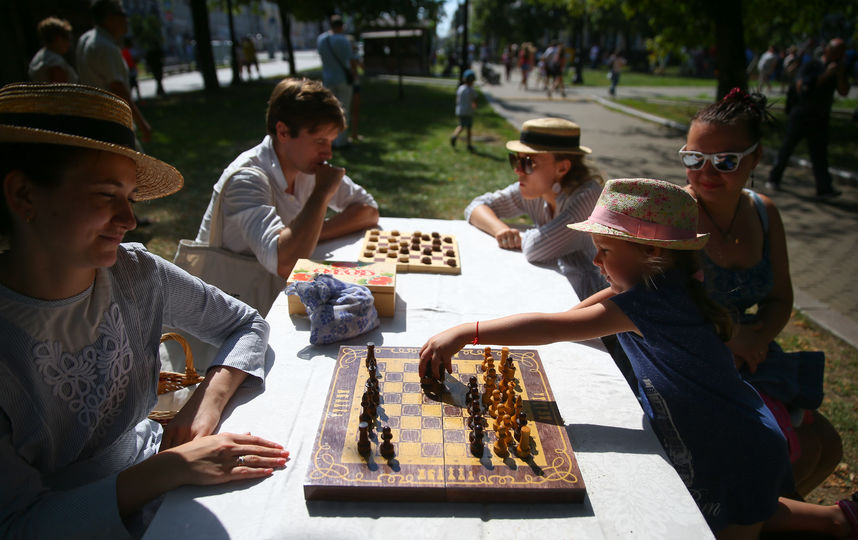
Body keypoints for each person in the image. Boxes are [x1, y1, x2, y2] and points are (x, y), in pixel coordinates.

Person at [420, 178, 858, 538]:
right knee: (752, 507)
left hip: (731, 445)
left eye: (605, 252)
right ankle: (841, 520)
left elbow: (554, 328)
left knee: (733, 519)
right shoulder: (656, 286)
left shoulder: (646, 303)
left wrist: (467, 332)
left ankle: (839, 523)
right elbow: (568, 318)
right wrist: (525, 336)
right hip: (738, 429)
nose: (596, 260)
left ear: (653, 254)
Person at [0, 82, 289, 538]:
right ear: (23, 196)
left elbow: (246, 322)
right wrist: (166, 470)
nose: (130, 220)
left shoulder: (135, 274)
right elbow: (19, 524)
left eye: (130, 198)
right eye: (105, 195)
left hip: (167, 482)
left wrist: (204, 404)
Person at [681, 88, 843, 497]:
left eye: (726, 161)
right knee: (795, 450)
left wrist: (757, 338)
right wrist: (734, 338)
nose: (706, 172)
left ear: (755, 158)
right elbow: (668, 301)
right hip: (694, 354)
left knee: (828, 447)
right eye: (694, 159)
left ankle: (762, 520)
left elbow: (779, 298)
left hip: (753, 353)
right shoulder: (676, 214)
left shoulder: (764, 211)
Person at [195, 77, 378, 287]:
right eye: (319, 141)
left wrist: (310, 234)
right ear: (283, 132)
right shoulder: (246, 179)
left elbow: (368, 210)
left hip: (269, 292)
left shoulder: (307, 164)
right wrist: (320, 195)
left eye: (330, 142)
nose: (328, 152)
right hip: (228, 303)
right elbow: (286, 263)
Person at [464, 117, 605, 300]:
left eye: (528, 163)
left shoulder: (588, 198)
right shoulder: (537, 190)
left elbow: (535, 249)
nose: (518, 170)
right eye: (516, 160)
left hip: (593, 305)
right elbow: (475, 207)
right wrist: (501, 230)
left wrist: (526, 235)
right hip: (558, 289)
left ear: (562, 168)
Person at [766, 38, 849, 198]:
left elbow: (844, 92)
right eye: (838, 51)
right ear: (828, 51)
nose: (840, 55)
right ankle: (774, 178)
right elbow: (802, 87)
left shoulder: (839, 69)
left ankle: (824, 188)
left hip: (821, 117)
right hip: (801, 115)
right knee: (787, 148)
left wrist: (838, 75)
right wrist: (826, 75)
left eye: (842, 52)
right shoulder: (813, 65)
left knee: (820, 154)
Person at [76, 0, 152, 144]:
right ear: (110, 18)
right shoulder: (105, 47)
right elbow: (118, 88)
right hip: (113, 125)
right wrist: (142, 123)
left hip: (95, 122)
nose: (126, 19)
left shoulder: (86, 39)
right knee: (131, 165)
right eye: (122, 14)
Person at [317, 14, 353, 149]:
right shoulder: (343, 40)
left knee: (330, 111)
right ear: (341, 26)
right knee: (343, 111)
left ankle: (330, 140)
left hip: (328, 79)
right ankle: (341, 141)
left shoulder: (321, 39)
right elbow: (350, 60)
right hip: (343, 79)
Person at [28, 16, 78, 83]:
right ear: (58, 39)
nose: (68, 44)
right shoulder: (54, 61)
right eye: (66, 39)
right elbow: (59, 90)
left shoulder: (39, 57)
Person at [450, 69, 477, 152]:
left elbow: (457, 99)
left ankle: (455, 135)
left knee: (461, 125)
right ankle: (468, 144)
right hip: (468, 112)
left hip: (460, 110)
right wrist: (474, 106)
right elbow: (474, 100)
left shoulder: (460, 88)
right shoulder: (472, 90)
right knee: (468, 128)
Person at [121, 36, 140, 100]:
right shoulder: (127, 51)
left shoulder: (125, 51)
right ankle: (132, 99)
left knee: (133, 84)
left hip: (131, 69)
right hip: (130, 70)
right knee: (133, 84)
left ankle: (134, 98)